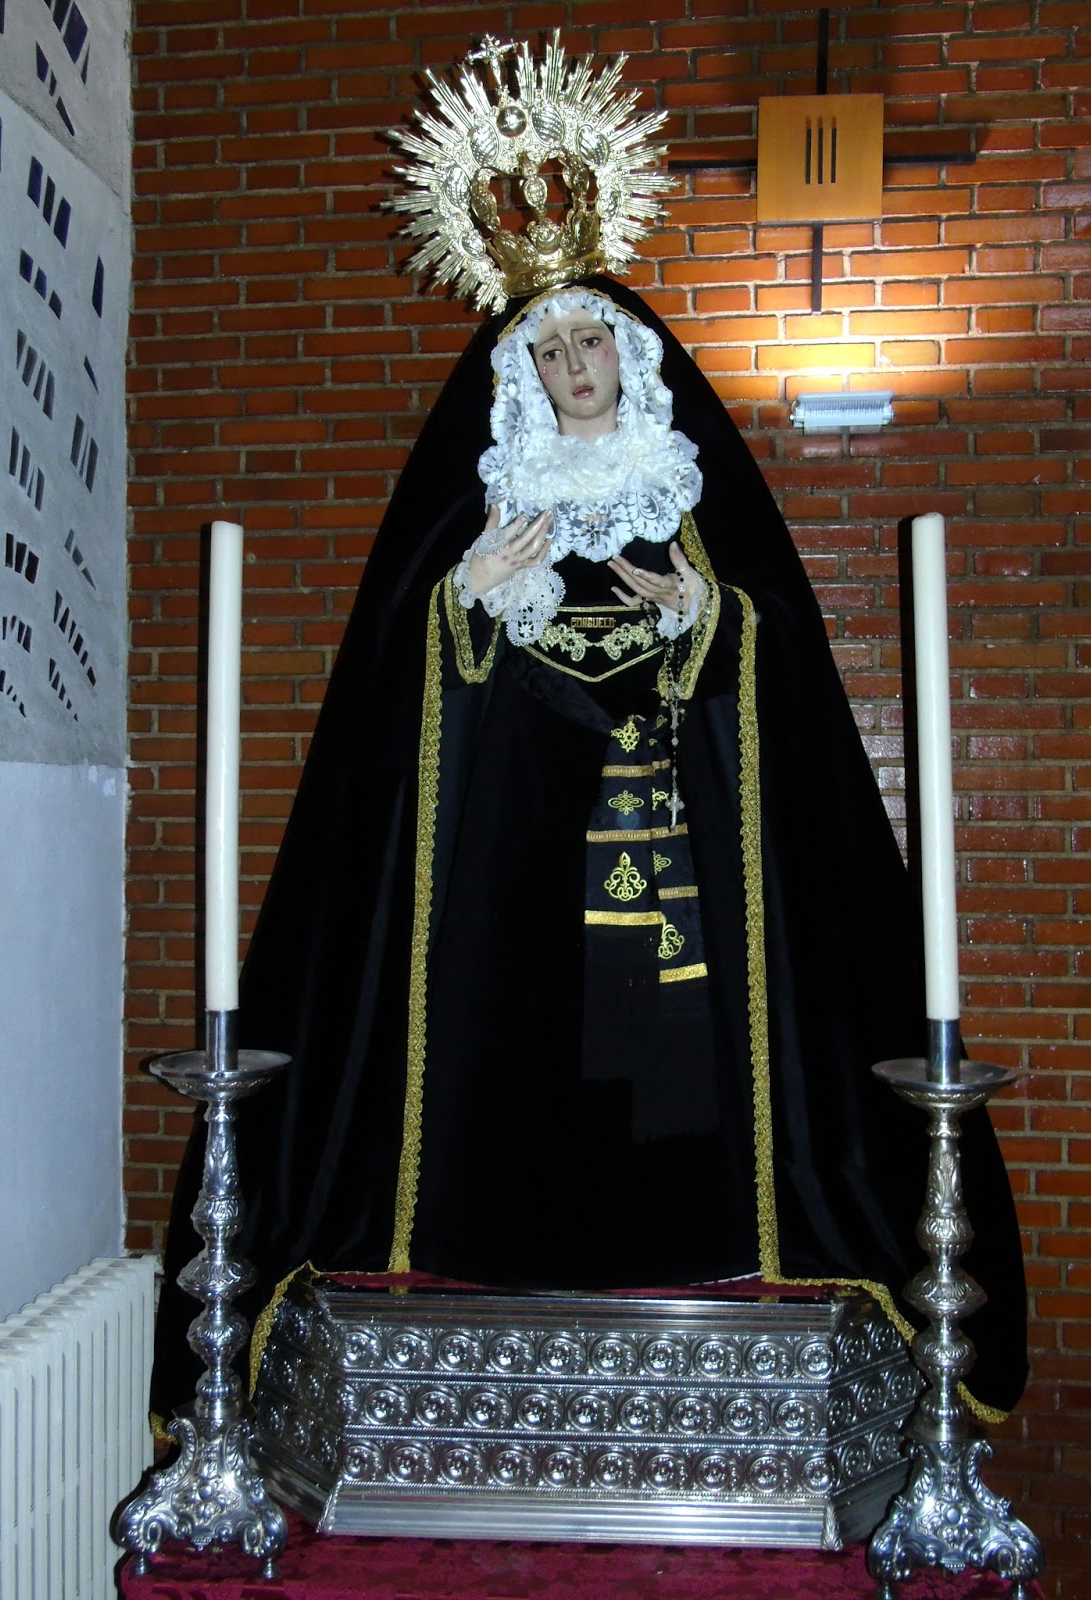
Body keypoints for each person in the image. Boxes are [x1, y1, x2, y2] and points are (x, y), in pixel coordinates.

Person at [151, 274, 1030, 1427]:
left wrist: (704, 620)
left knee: (674, 1062)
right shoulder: (496, 497)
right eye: (551, 348)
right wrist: (469, 596)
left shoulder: (688, 491)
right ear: (526, 372)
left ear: (630, 355)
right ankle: (500, 1246)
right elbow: (401, 695)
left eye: (590, 342)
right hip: (515, 850)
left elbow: (776, 661)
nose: (573, 366)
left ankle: (693, 1251)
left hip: (672, 850)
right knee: (514, 1037)